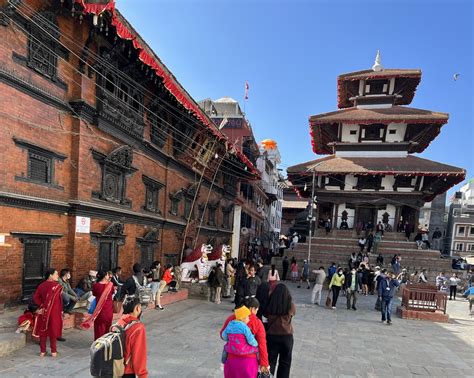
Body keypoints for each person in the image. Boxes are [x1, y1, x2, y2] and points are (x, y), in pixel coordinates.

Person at [220, 299, 270, 377]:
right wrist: (264, 363)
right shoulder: (257, 322)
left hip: (231, 359)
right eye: (256, 310)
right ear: (251, 309)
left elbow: (222, 335)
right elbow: (262, 344)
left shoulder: (232, 318)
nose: (256, 312)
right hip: (249, 362)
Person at [265, 284, 296, 378]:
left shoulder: (269, 303)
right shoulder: (291, 305)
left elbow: (265, 316)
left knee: (270, 361)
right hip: (287, 336)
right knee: (285, 363)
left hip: (271, 335)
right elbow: (293, 314)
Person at [32, 268, 63, 357]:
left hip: (44, 311)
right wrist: (61, 311)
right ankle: (53, 351)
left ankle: (42, 351)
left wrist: (42, 305)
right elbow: (60, 301)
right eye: (56, 274)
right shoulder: (57, 286)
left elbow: (35, 298)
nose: (57, 276)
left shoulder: (41, 285)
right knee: (53, 330)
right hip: (54, 312)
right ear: (50, 275)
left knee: (43, 331)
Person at [116, 295, 148, 378]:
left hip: (115, 368)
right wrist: (142, 375)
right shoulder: (138, 328)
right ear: (137, 308)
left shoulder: (119, 322)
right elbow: (139, 354)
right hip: (127, 372)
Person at [81, 270, 114, 340]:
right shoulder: (110, 285)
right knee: (107, 328)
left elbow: (94, 294)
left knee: (99, 329)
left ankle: (98, 344)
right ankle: (106, 344)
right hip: (109, 310)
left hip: (99, 311)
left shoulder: (96, 285)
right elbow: (112, 293)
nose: (109, 276)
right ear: (105, 276)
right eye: (108, 275)